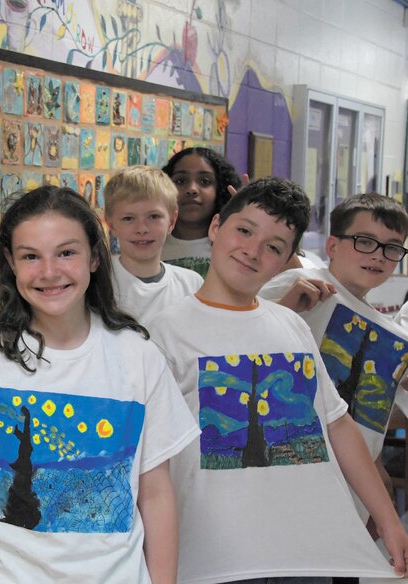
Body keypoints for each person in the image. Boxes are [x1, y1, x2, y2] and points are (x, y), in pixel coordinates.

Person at [0, 186, 200, 583]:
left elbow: (156, 494)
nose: (49, 272)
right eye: (31, 256)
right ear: (11, 263)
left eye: (66, 253)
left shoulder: (139, 356)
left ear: (95, 257)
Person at [148, 177, 408, 583]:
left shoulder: (291, 325)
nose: (253, 251)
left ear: (288, 258)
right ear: (216, 228)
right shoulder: (163, 333)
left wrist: (388, 520)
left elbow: (337, 424)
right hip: (214, 559)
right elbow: (151, 463)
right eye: (244, 230)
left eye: (274, 247)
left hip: (305, 556)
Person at [259, 192, 408, 525]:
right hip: (280, 473)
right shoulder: (299, 285)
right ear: (332, 246)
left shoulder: (395, 338)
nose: (379, 256)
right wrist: (285, 308)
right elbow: (233, 345)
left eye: (393, 247)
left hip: (348, 494)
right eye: (365, 241)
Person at [104, 165, 203, 323]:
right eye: (128, 218)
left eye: (154, 217)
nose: (141, 229)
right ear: (112, 225)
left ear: (171, 221)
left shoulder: (191, 284)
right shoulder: (99, 282)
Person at [161, 146, 242, 277]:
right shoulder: (150, 243)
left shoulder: (236, 249)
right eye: (180, 180)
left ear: (220, 190)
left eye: (205, 181)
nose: (192, 189)